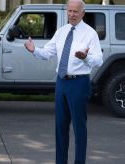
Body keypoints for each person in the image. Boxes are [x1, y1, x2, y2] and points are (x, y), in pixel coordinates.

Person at [24, 0, 103, 163]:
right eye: (69, 11)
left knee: (79, 127)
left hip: (78, 83)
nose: (72, 15)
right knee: (60, 127)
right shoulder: (62, 31)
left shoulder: (90, 33)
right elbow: (47, 52)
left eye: (75, 12)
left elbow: (98, 60)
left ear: (83, 13)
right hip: (61, 83)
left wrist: (86, 57)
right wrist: (34, 50)